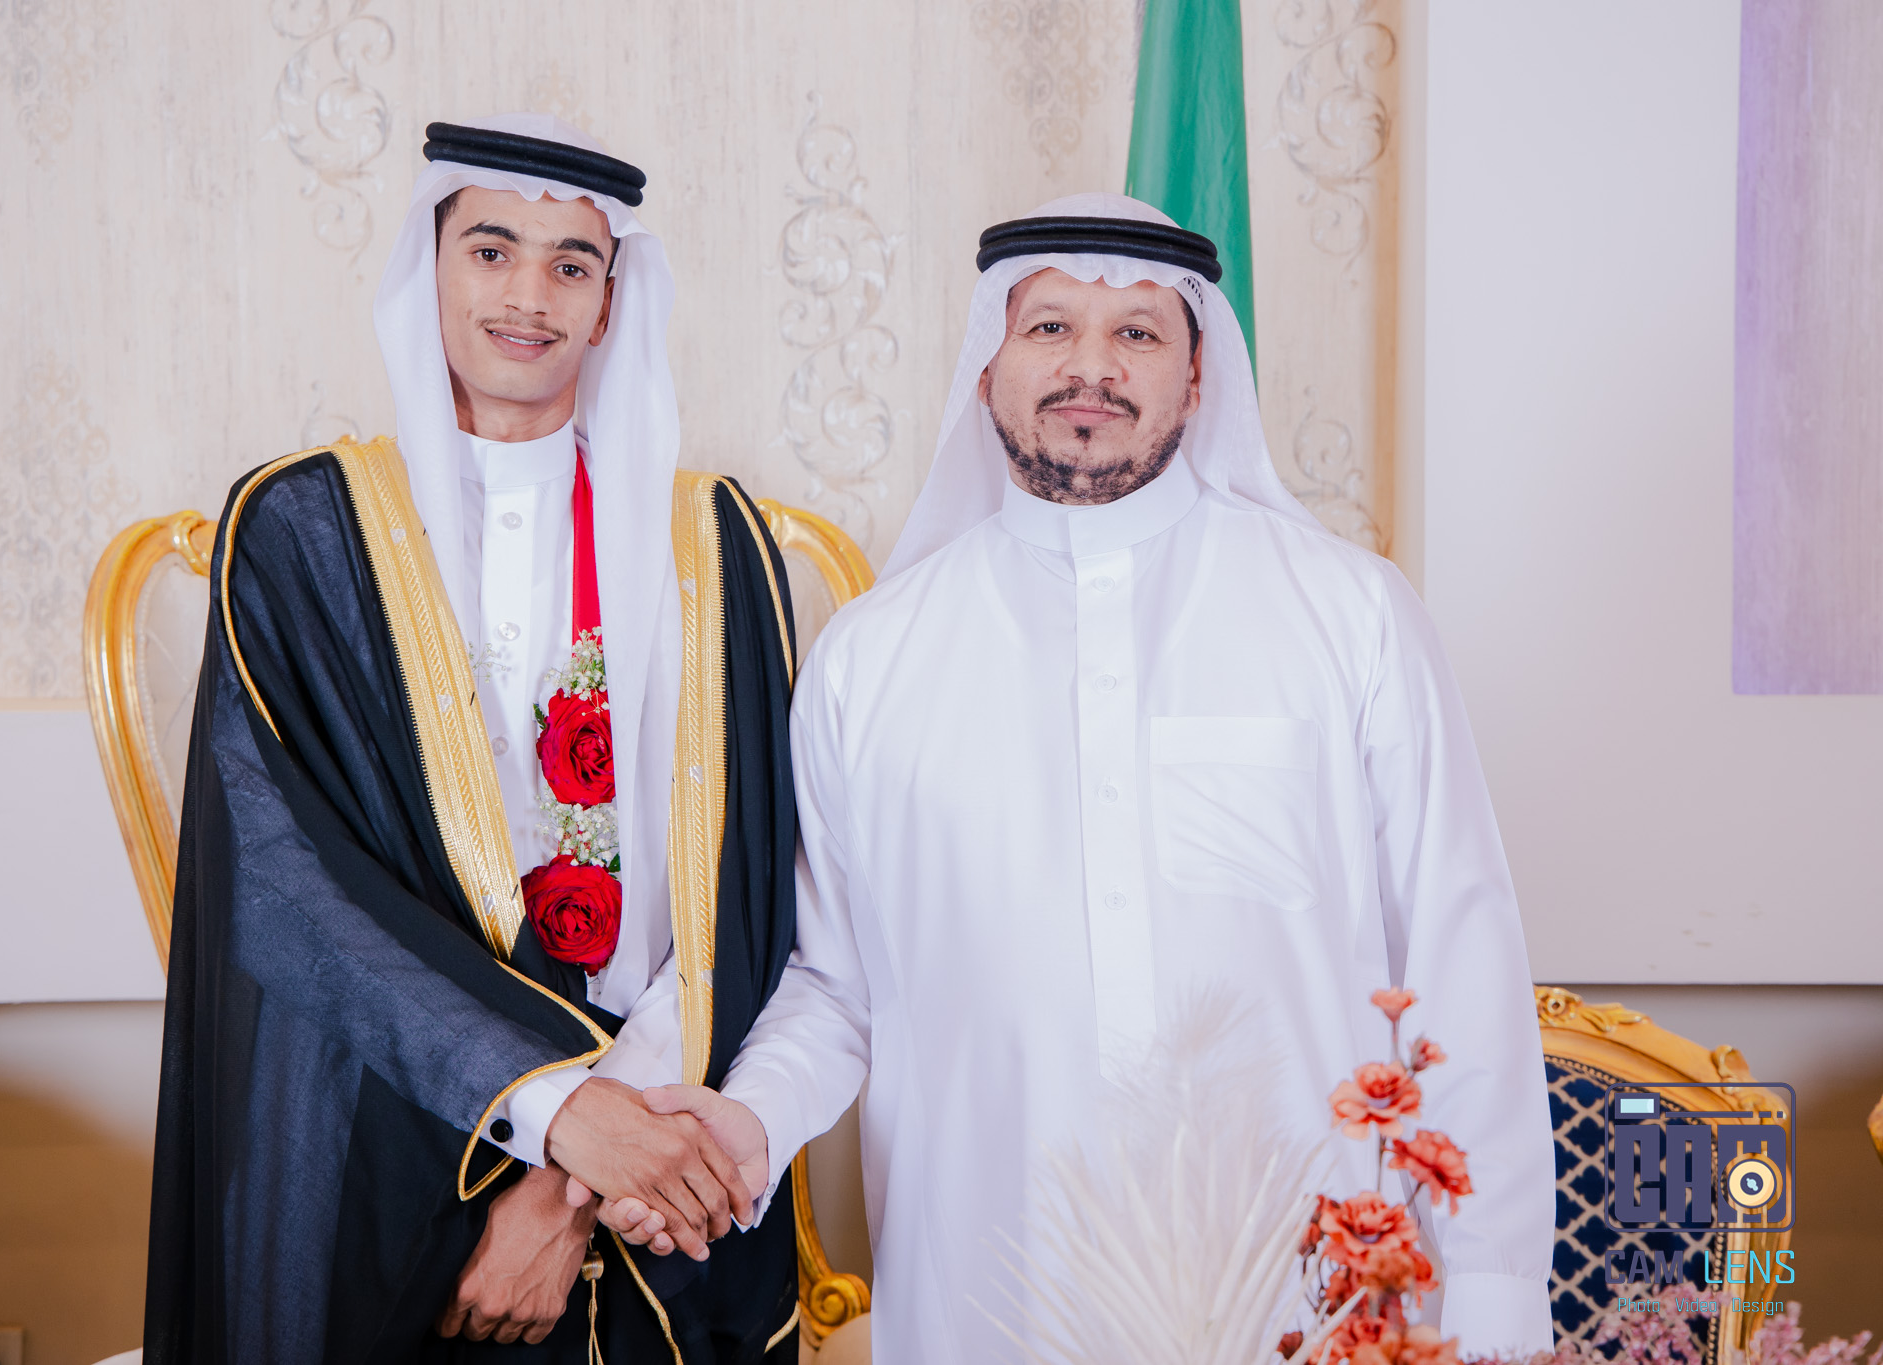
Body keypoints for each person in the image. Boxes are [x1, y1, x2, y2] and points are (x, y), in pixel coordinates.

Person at [602, 194, 1557, 1360]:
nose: (1089, 367)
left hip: (1304, 1294)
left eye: (1136, 333)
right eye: (1048, 327)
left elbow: (1459, 961)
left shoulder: (1349, 618)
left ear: (1197, 376)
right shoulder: (871, 660)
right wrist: (748, 1124)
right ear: (986, 364)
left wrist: (1495, 1295)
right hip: (987, 1287)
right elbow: (837, 987)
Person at [144, 114, 803, 1363]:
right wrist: (556, 1114)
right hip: (385, 1132)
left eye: (570, 264)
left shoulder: (711, 544)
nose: (528, 297)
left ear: (609, 304)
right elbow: (286, 890)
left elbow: (747, 902)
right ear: (431, 269)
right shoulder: (301, 531)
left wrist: (578, 1178)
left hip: (655, 1149)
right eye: (491, 251)